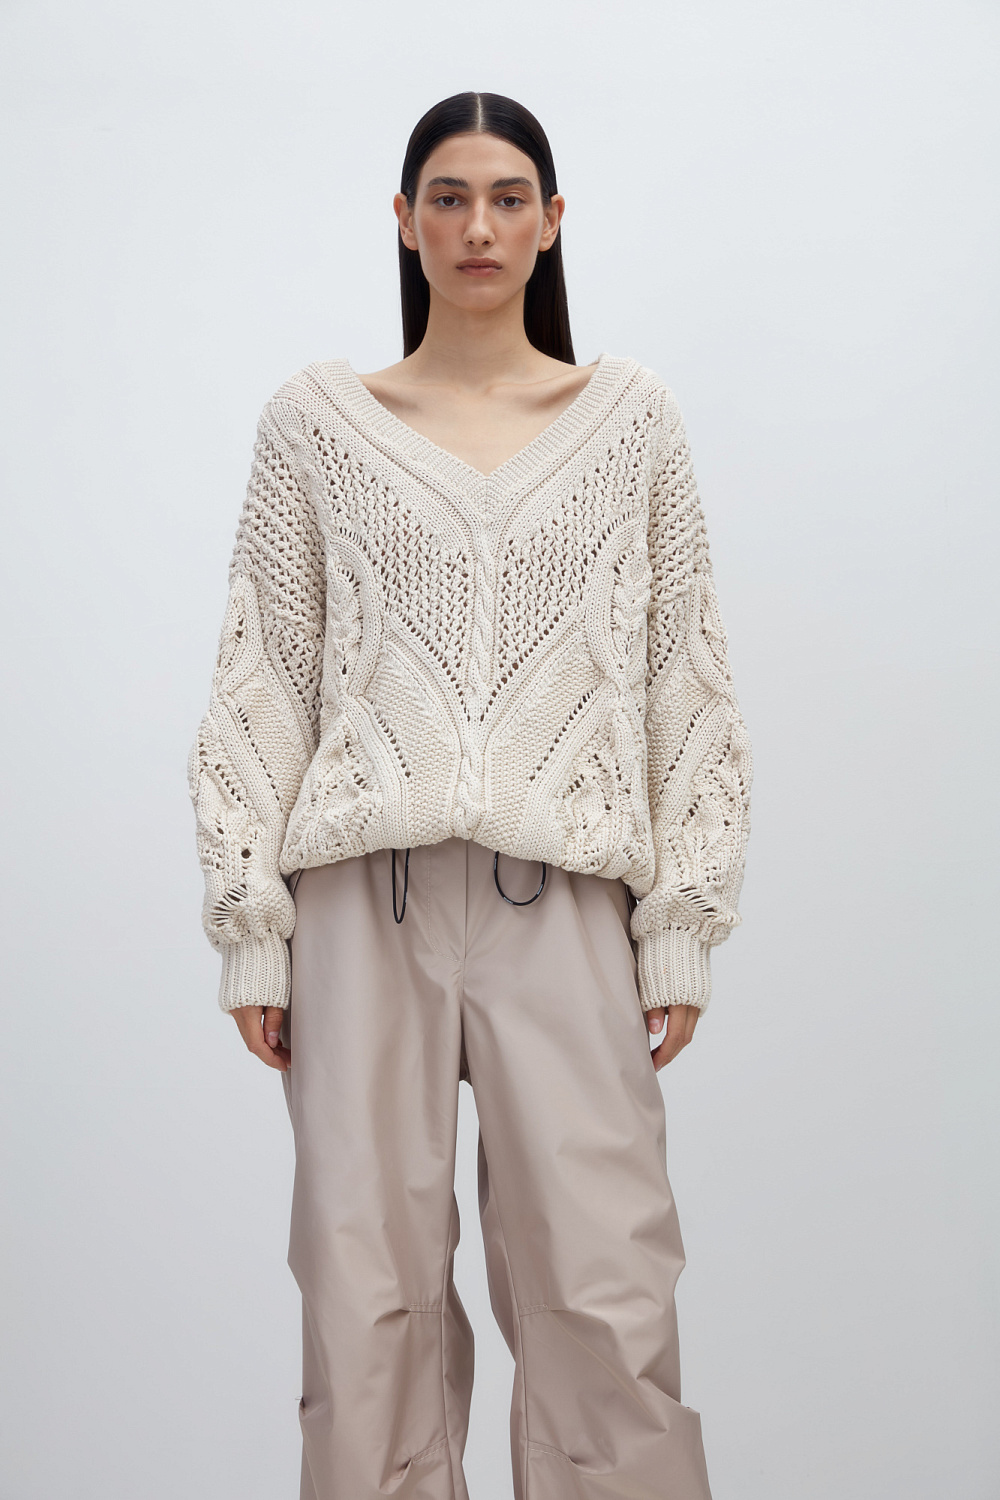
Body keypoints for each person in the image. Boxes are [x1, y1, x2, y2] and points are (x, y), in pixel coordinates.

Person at [189, 89, 753, 1500]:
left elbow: (684, 677)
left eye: (508, 198)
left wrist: (681, 926)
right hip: (359, 907)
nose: (479, 226)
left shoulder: (630, 422)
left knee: (606, 1294)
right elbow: (265, 680)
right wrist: (253, 931)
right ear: (405, 221)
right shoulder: (316, 425)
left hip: (564, 903)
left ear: (553, 222)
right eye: (448, 197)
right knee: (363, 1303)